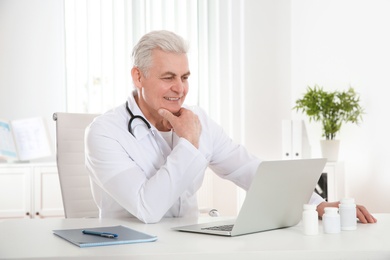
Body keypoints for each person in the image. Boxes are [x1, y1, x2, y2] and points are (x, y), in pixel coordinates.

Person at [85, 30, 377, 224]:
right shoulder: (105, 132)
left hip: (187, 246)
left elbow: (249, 169)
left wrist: (315, 204)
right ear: (138, 76)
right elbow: (147, 209)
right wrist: (188, 144)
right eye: (168, 77)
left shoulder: (198, 119)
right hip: (131, 250)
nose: (180, 88)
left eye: (185, 77)